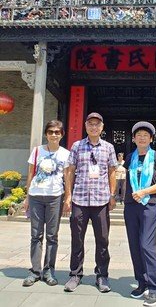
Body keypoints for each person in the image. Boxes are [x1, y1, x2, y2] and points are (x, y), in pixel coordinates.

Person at [63, 112, 117, 293]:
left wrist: (112, 195)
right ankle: (75, 274)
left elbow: (111, 172)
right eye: (90, 124)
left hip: (101, 200)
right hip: (79, 199)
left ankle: (102, 275)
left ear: (102, 128)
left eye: (97, 124)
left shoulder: (108, 147)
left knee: (102, 239)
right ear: (86, 126)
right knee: (77, 239)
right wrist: (68, 196)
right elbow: (70, 171)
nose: (94, 127)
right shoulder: (77, 146)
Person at [124, 121, 156, 306]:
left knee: (146, 245)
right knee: (134, 245)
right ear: (134, 139)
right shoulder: (129, 158)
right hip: (130, 205)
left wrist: (144, 192)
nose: (142, 137)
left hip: (149, 204)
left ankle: (154, 287)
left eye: (146, 135)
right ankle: (141, 282)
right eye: (138, 135)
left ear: (151, 138)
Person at [23, 120, 70, 287]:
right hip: (36, 196)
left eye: (57, 132)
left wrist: (67, 198)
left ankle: (49, 270)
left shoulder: (65, 153)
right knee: (36, 235)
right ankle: (35, 271)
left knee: (52, 236)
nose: (54, 135)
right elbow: (30, 174)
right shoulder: (37, 151)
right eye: (51, 132)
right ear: (46, 134)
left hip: (55, 197)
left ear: (62, 135)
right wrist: (27, 197)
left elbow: (67, 177)